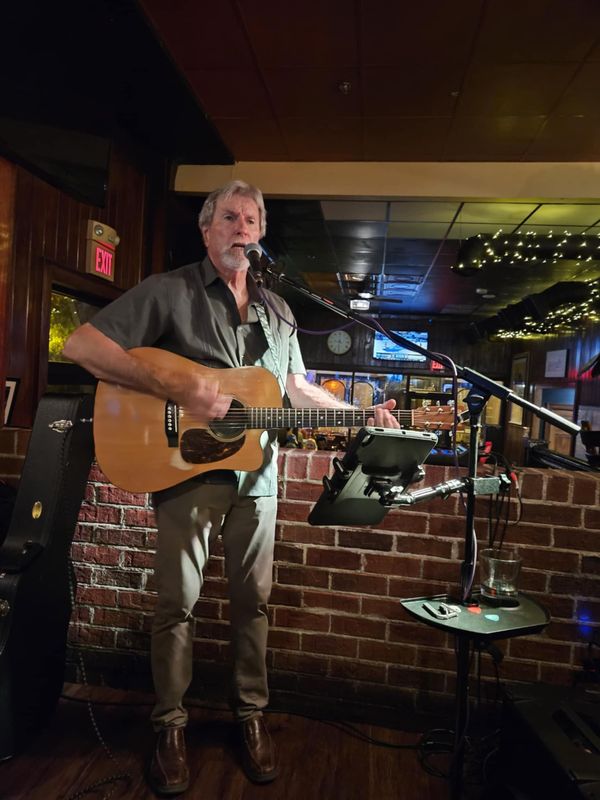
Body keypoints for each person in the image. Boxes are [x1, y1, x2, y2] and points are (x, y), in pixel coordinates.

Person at [62, 179, 399, 795]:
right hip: (186, 471)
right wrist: (178, 388)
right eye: (229, 218)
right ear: (206, 228)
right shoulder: (170, 290)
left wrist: (360, 413)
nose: (241, 228)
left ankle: (251, 717)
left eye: (251, 220)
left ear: (261, 234)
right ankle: (169, 726)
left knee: (254, 604)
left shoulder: (280, 310)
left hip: (257, 476)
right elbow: (81, 344)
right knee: (177, 605)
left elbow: (296, 390)